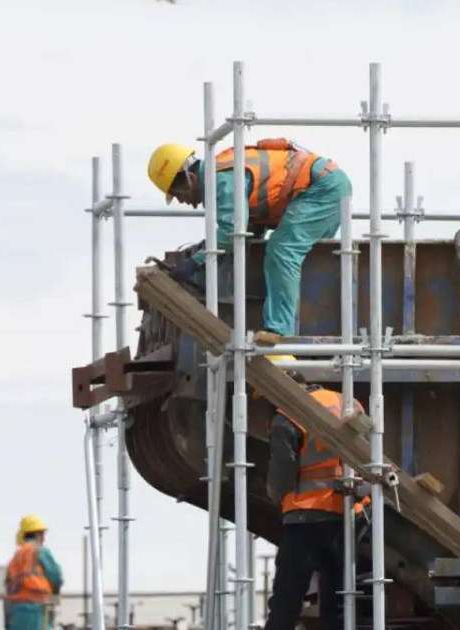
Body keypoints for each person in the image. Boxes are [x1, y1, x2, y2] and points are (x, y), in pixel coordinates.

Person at [147, 139, 351, 345]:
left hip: (322, 189)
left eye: (178, 194)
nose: (183, 202)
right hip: (322, 186)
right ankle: (295, 328)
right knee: (286, 252)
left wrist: (195, 262)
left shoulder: (220, 180)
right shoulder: (222, 172)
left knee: (282, 250)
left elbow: (232, 230)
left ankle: (280, 332)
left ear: (190, 178)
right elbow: (246, 228)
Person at [263, 370, 368, 630]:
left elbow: (281, 476)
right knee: (340, 600)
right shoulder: (346, 403)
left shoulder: (286, 417)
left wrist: (275, 497)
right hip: (347, 514)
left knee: (286, 600)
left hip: (305, 518)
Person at [5, 514, 64, 630]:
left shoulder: (16, 557)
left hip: (17, 611)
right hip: (37, 608)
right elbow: (56, 576)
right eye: (42, 534)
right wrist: (55, 596)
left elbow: (8, 584)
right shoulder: (39, 551)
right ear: (37, 534)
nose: (44, 538)